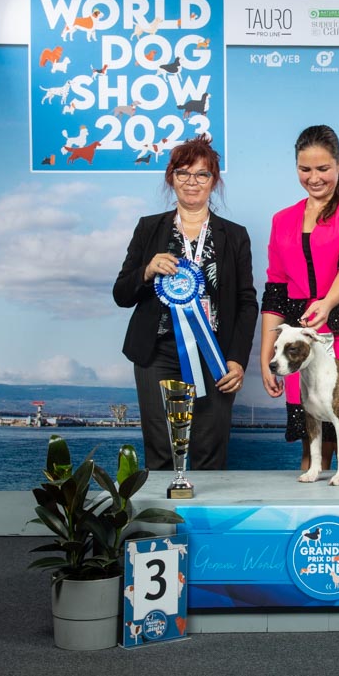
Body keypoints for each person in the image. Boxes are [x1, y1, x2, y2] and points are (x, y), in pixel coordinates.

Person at [113, 134, 258, 470]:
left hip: (215, 355)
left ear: (214, 180)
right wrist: (147, 270)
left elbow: (247, 302)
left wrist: (237, 359)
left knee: (210, 452)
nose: (192, 182)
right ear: (171, 178)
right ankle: (163, 507)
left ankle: (205, 509)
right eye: (183, 173)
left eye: (202, 174)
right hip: (156, 353)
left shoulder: (235, 235)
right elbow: (122, 294)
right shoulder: (149, 228)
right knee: (161, 452)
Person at [260, 125, 339, 470]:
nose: (314, 178)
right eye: (305, 169)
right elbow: (275, 289)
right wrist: (267, 353)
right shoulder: (281, 220)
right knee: (311, 446)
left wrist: (328, 303)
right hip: (298, 342)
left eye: (323, 168)